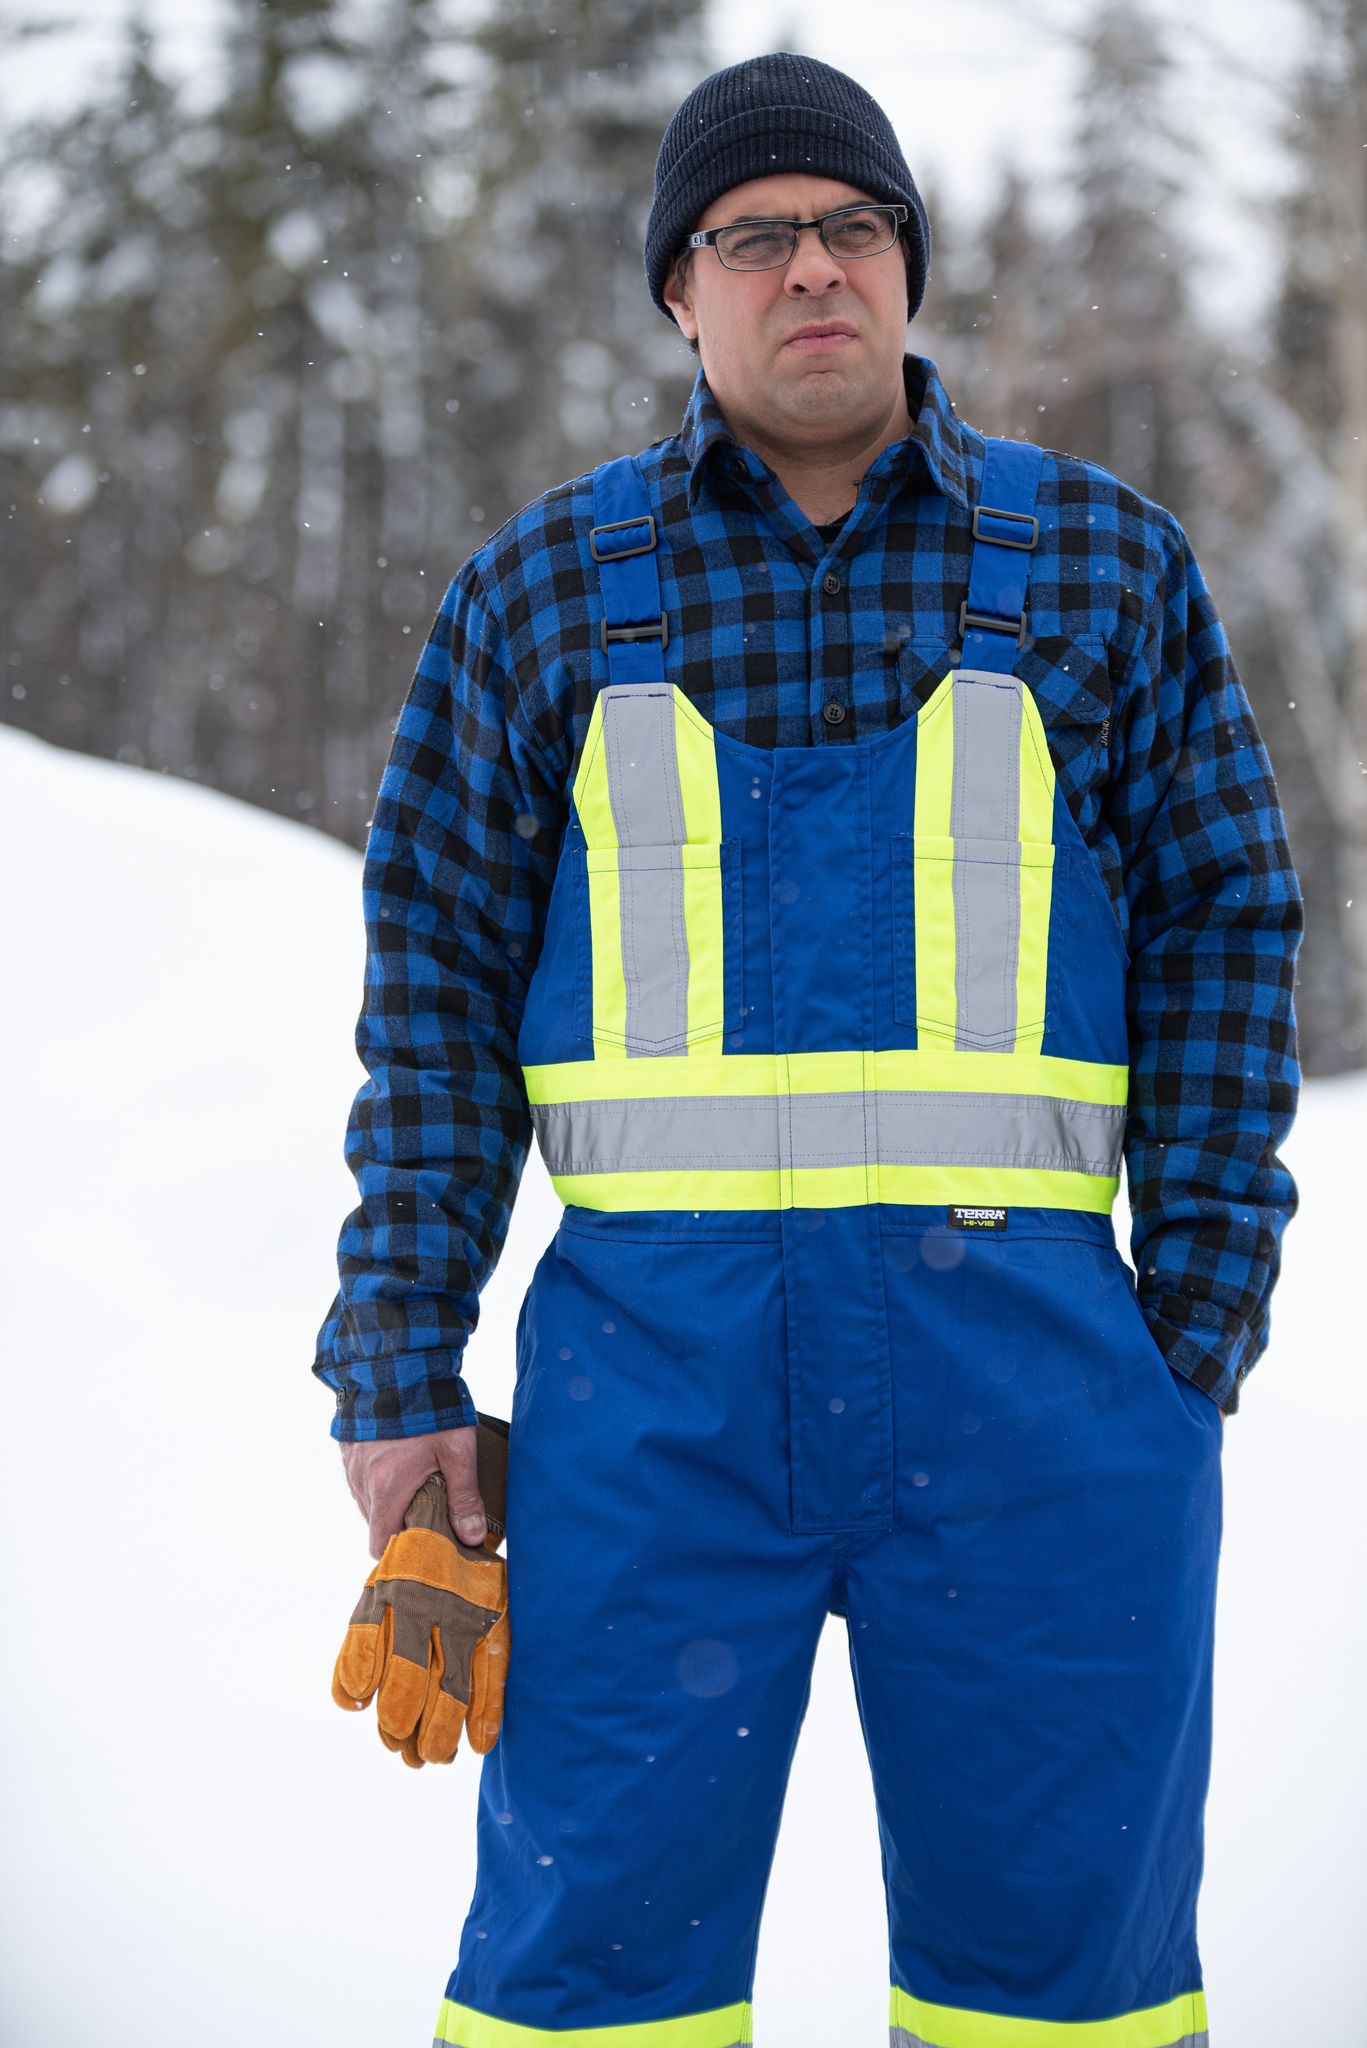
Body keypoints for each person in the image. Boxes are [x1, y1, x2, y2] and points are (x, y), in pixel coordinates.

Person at [314, 51, 1303, 2048]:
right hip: (647, 1415)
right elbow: (433, 989)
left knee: (1065, 1995)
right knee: (587, 1989)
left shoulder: (1101, 568)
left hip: (1043, 1414)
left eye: (854, 228)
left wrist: (1188, 1324)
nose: (814, 267)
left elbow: (1227, 924)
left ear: (910, 270)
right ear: (681, 294)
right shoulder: (542, 597)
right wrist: (398, 1361)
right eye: (753, 237)